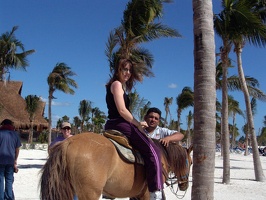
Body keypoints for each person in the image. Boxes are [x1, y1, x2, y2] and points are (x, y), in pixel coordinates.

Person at [104, 58, 163, 200]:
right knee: (153, 151)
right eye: (125, 69)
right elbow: (122, 111)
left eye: (130, 70)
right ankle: (155, 191)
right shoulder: (117, 85)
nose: (128, 73)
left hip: (115, 122)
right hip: (120, 123)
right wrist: (137, 124)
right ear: (118, 70)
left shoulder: (119, 86)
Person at [0, 119, 21, 200]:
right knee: (9, 180)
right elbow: (17, 149)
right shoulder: (15, 134)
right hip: (10, 160)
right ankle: (9, 197)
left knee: (0, 180)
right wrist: (15, 160)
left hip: (0, 160)